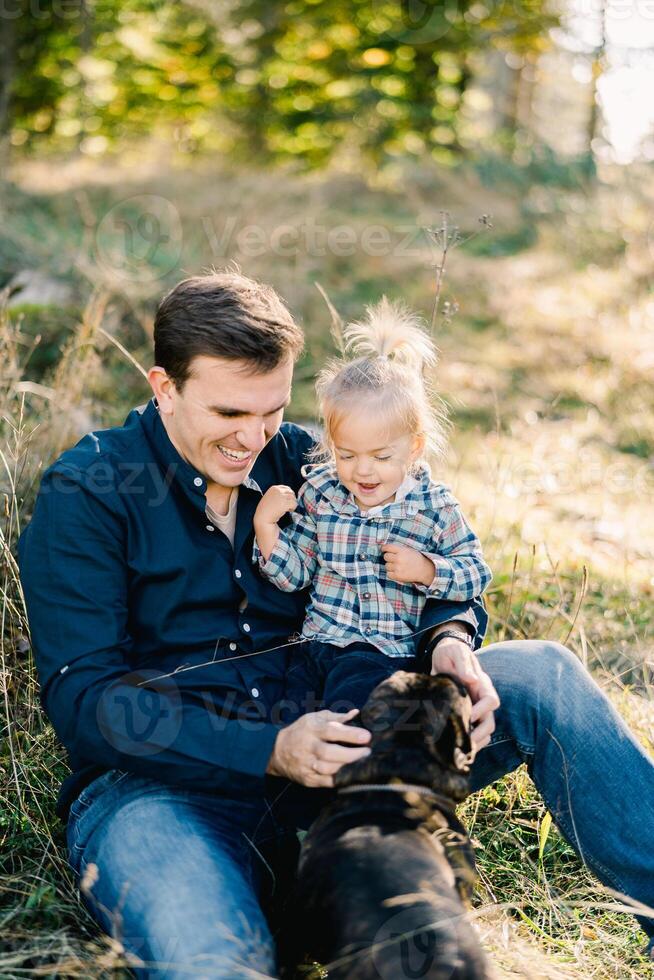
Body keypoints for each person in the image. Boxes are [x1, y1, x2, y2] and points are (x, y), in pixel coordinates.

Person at [18, 271, 654, 977]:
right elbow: (86, 702)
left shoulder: (305, 458)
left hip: (355, 748)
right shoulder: (91, 490)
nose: (253, 438)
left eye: (273, 410)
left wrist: (449, 640)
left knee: (544, 672)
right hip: (164, 795)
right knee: (216, 963)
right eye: (229, 412)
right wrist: (269, 748)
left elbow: (425, 553)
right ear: (164, 386)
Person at [253, 298, 492, 711]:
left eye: (381, 457)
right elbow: (297, 574)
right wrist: (266, 529)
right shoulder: (322, 494)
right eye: (346, 455)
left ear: (414, 447)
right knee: (289, 719)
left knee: (351, 722)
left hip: (383, 655)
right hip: (315, 646)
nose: (362, 471)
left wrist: (427, 569)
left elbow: (475, 572)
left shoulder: (432, 506)